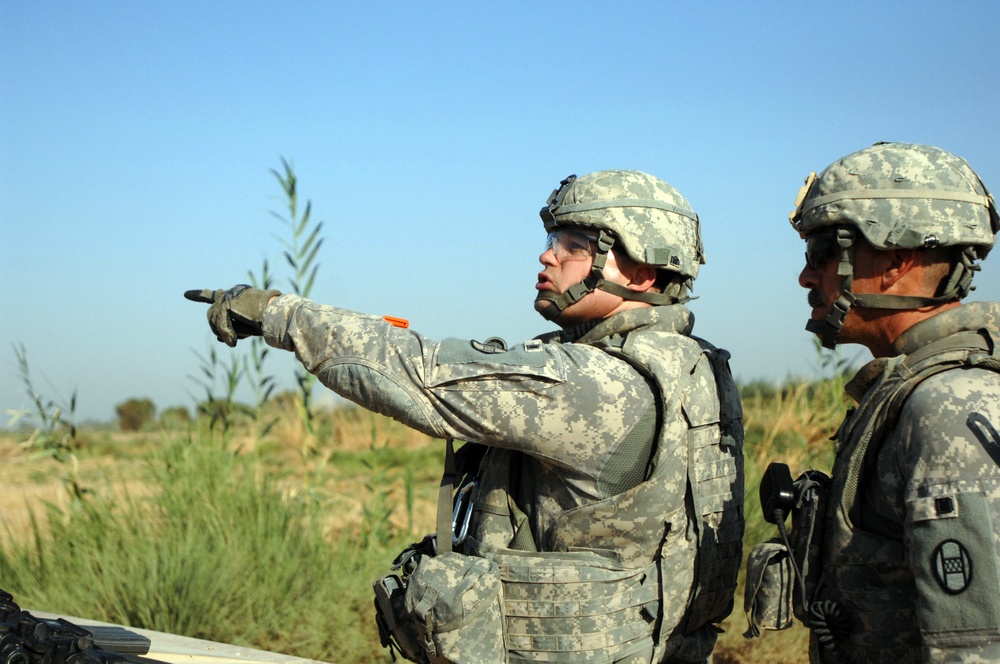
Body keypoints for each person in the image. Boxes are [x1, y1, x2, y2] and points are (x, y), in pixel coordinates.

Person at [186, 170, 744, 663]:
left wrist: (279, 314)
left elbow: (420, 374)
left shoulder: (594, 383)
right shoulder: (694, 369)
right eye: (552, 240)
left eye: (573, 245)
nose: (547, 256)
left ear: (642, 272)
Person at [757, 142, 1000, 663]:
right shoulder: (909, 388)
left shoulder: (944, 406)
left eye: (823, 253)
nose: (806, 276)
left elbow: (976, 645)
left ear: (894, 261)